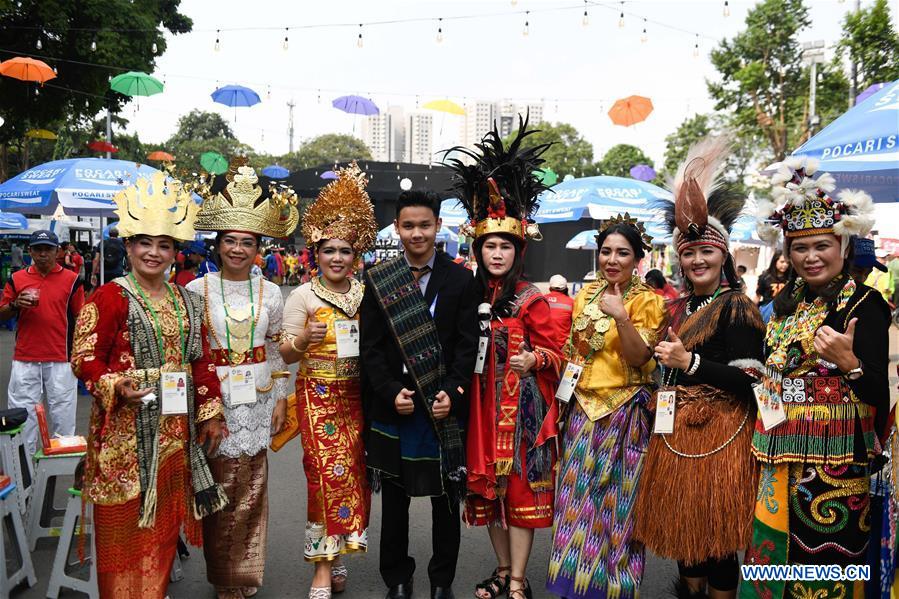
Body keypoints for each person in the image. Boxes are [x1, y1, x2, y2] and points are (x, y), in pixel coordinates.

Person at [70, 171, 228, 598]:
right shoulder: (109, 297)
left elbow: (202, 361)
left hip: (175, 435)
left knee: (160, 533)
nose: (154, 253)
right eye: (145, 243)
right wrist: (115, 385)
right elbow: (83, 358)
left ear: (176, 252)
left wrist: (211, 414)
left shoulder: (188, 301)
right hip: (125, 435)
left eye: (164, 245)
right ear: (129, 246)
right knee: (123, 531)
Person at [740, 158, 890, 599]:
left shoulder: (865, 305)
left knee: (829, 564)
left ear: (842, 246)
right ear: (787, 254)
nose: (811, 257)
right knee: (774, 563)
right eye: (800, 248)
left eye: (821, 245)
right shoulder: (786, 306)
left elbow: (879, 392)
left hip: (836, 464)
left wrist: (851, 364)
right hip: (777, 453)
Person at [633, 138, 765, 599]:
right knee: (686, 542)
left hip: (723, 439)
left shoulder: (738, 308)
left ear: (723, 256)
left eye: (706, 252)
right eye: (688, 254)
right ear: (680, 261)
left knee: (718, 544)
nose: (697, 260)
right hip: (677, 437)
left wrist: (690, 362)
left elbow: (753, 384)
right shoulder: (680, 307)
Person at [446, 121, 562, 599]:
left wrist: (534, 360)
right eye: (489, 245)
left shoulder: (531, 298)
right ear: (478, 249)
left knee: (518, 494)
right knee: (485, 494)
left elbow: (559, 353)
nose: (497, 252)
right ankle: (499, 569)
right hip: (478, 408)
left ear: (517, 250)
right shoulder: (467, 292)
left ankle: (518, 579)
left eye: (505, 246)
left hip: (521, 412)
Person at [361, 188, 478, 599]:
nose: (417, 233)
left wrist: (454, 392)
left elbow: (468, 347)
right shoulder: (378, 279)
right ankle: (396, 576)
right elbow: (370, 348)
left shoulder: (462, 279)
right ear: (397, 228)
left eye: (424, 225)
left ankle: (442, 581)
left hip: (442, 409)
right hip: (396, 407)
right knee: (394, 503)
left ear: (438, 227)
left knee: (446, 502)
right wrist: (390, 391)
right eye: (408, 226)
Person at [188, 159, 296, 599]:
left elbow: (275, 349)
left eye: (246, 242)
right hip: (214, 399)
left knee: (251, 489)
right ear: (218, 245)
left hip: (257, 398)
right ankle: (222, 576)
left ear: (259, 248)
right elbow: (192, 353)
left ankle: (245, 575)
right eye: (229, 240)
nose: (237, 248)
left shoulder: (271, 292)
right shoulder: (196, 291)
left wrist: (283, 398)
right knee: (217, 488)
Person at [545, 215, 665, 599]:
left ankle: (615, 588)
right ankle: (574, 585)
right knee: (576, 500)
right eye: (606, 251)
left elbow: (640, 358)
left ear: (637, 259)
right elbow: (574, 355)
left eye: (622, 253)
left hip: (624, 411)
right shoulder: (586, 295)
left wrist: (622, 316)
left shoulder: (648, 300)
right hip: (581, 411)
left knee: (618, 504)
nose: (612, 259)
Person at [281, 163, 377, 599]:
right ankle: (321, 567)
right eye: (328, 250)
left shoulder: (366, 293)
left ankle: (336, 554)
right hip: (317, 394)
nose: (337, 258)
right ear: (314, 253)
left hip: (358, 397)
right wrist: (303, 339)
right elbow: (283, 352)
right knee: (322, 477)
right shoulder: (302, 295)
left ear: (356, 255)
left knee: (352, 478)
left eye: (345, 250)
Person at [0, 229, 85, 457]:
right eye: (38, 249)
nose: (43, 254)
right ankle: (24, 477)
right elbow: (2, 313)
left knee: (63, 419)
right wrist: (16, 304)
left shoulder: (73, 280)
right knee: (23, 418)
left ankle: (57, 471)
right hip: (25, 358)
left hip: (60, 358)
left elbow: (82, 318)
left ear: (57, 251)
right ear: (30, 251)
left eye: (48, 248)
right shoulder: (17, 278)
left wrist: (81, 353)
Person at [545, 274, 574, 350]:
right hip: (563, 348)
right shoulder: (571, 302)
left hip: (544, 347)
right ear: (565, 289)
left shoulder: (542, 300)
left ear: (550, 288)